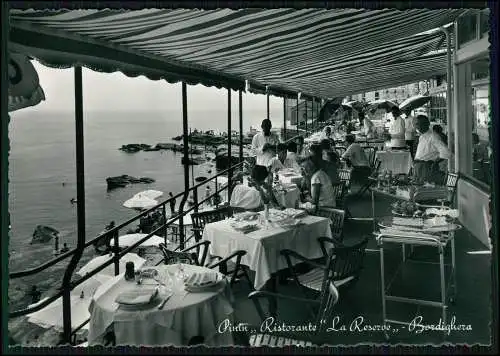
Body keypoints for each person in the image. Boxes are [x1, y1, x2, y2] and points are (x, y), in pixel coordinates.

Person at [413, 115, 450, 184]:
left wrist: (435, 163)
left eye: (421, 124)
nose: (418, 126)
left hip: (426, 167)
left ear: (427, 124)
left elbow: (446, 153)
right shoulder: (421, 136)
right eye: (417, 124)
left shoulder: (433, 136)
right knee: (417, 188)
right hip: (418, 167)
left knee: (424, 191)